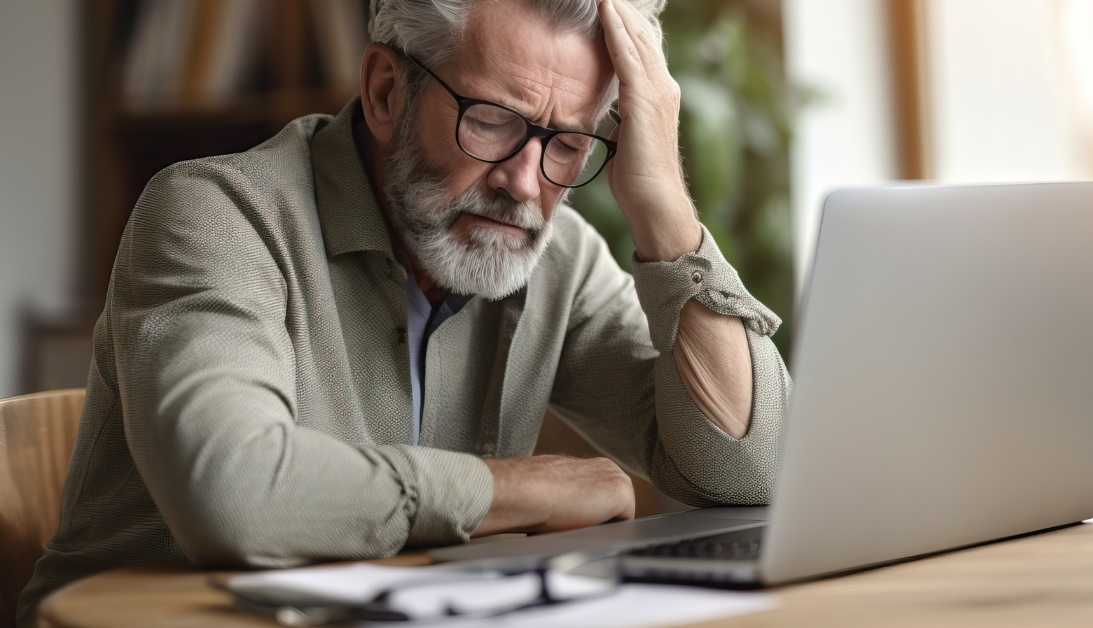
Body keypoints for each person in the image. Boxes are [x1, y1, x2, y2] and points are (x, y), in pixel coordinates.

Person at [16, 0, 789, 623]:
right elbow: (234, 491)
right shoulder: (213, 215)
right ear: (387, 90)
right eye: (492, 120)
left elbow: (746, 475)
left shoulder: (557, 257)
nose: (526, 184)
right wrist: (516, 488)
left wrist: (664, 211)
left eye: (568, 144)